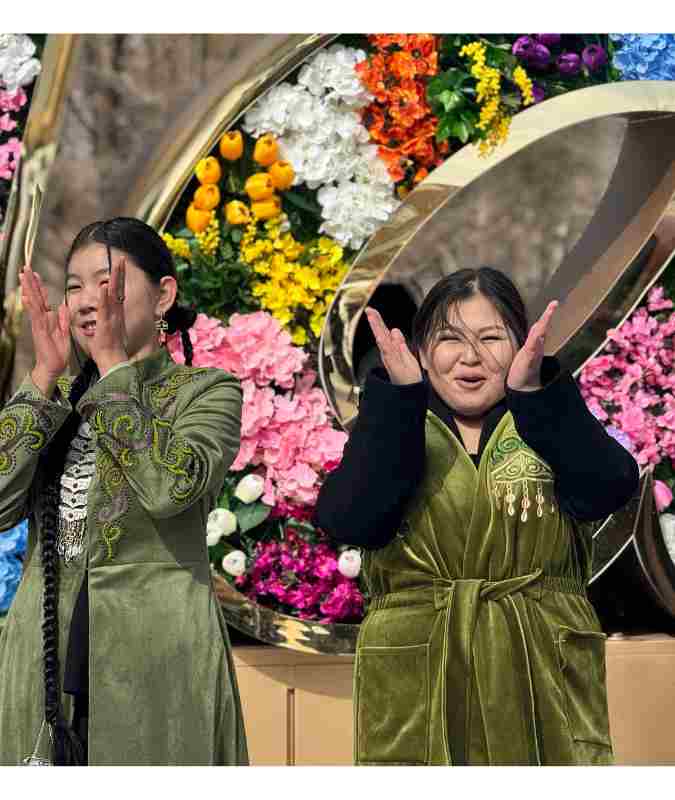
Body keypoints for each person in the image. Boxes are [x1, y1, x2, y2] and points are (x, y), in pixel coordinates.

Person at [314, 267, 640, 766]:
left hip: (540, 666)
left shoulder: (546, 417)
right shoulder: (396, 421)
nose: (470, 357)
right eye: (449, 339)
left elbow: (609, 488)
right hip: (420, 668)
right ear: (423, 351)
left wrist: (537, 396)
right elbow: (350, 520)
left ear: (520, 346)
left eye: (491, 338)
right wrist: (399, 402)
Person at [0, 218, 248, 766]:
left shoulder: (208, 392)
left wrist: (113, 366)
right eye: (74, 286)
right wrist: (42, 376)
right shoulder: (57, 398)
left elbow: (170, 487)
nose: (88, 300)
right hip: (41, 656)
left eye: (107, 281)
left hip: (154, 661)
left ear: (164, 295)